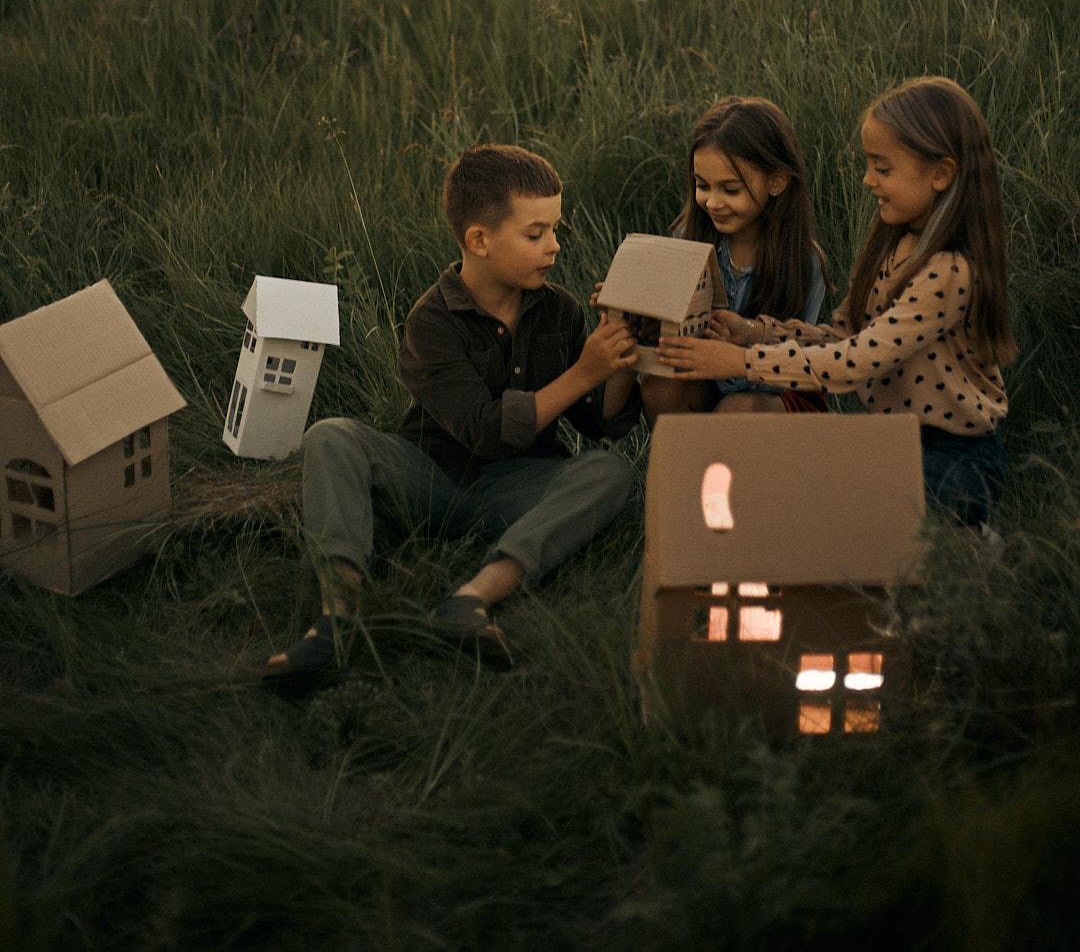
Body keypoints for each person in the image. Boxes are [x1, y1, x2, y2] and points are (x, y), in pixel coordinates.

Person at [262, 144, 641, 696]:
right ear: (479, 240)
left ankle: (471, 599)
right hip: (432, 475)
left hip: (518, 485)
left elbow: (595, 421)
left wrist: (619, 350)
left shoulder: (559, 310)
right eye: (535, 234)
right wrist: (585, 372)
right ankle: (339, 618)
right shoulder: (431, 321)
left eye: (556, 229)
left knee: (609, 470)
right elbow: (484, 428)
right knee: (330, 437)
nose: (555, 246)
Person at [657, 77, 1014, 523]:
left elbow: (856, 360)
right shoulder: (894, 243)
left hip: (954, 458)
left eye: (883, 169)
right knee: (809, 495)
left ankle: (972, 537)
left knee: (825, 502)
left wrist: (740, 362)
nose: (868, 180)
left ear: (940, 174)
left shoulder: (949, 272)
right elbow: (841, 336)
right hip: (890, 442)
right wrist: (751, 332)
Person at [642, 96, 828, 422]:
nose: (713, 202)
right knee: (660, 386)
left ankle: (744, 472)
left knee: (738, 408)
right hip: (710, 376)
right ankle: (681, 469)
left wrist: (733, 357)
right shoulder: (689, 239)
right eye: (702, 185)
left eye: (730, 190)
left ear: (776, 182)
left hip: (776, 390)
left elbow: (793, 368)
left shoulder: (803, 263)